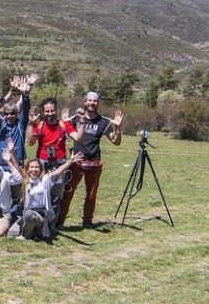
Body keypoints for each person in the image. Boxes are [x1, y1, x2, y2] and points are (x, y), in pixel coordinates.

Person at [59, 91, 124, 228]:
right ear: (85, 102)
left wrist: (117, 128)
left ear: (98, 103)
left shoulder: (103, 122)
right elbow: (62, 131)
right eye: (89, 100)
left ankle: (87, 221)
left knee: (91, 195)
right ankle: (60, 221)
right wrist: (64, 120)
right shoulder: (75, 118)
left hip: (94, 162)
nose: (92, 103)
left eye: (95, 101)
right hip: (76, 162)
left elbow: (115, 141)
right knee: (68, 193)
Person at [9, 152, 84, 240]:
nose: (34, 169)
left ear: (40, 169)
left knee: (29, 215)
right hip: (28, 214)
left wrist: (70, 161)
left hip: (41, 216)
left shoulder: (45, 180)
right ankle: (35, 231)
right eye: (32, 167)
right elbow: (17, 167)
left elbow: (58, 171)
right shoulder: (27, 180)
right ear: (28, 169)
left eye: (36, 167)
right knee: (11, 234)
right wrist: (11, 153)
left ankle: (26, 236)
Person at [26, 99, 85, 211]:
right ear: (43, 112)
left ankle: (53, 224)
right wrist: (31, 124)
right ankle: (41, 221)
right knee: (40, 192)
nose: (50, 114)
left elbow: (78, 138)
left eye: (52, 110)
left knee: (56, 195)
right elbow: (30, 142)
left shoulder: (63, 124)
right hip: (42, 163)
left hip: (59, 163)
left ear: (56, 110)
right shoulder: (39, 126)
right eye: (47, 111)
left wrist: (82, 121)